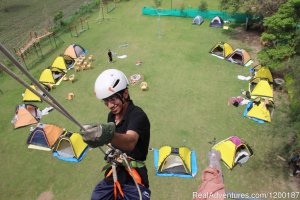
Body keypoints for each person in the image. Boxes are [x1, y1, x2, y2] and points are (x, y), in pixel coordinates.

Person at [82, 69, 151, 200]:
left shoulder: (137, 115)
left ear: (125, 93)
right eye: (106, 101)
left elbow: (130, 141)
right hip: (116, 170)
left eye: (113, 99)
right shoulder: (111, 116)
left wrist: (107, 135)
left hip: (134, 175)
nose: (109, 105)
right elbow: (114, 142)